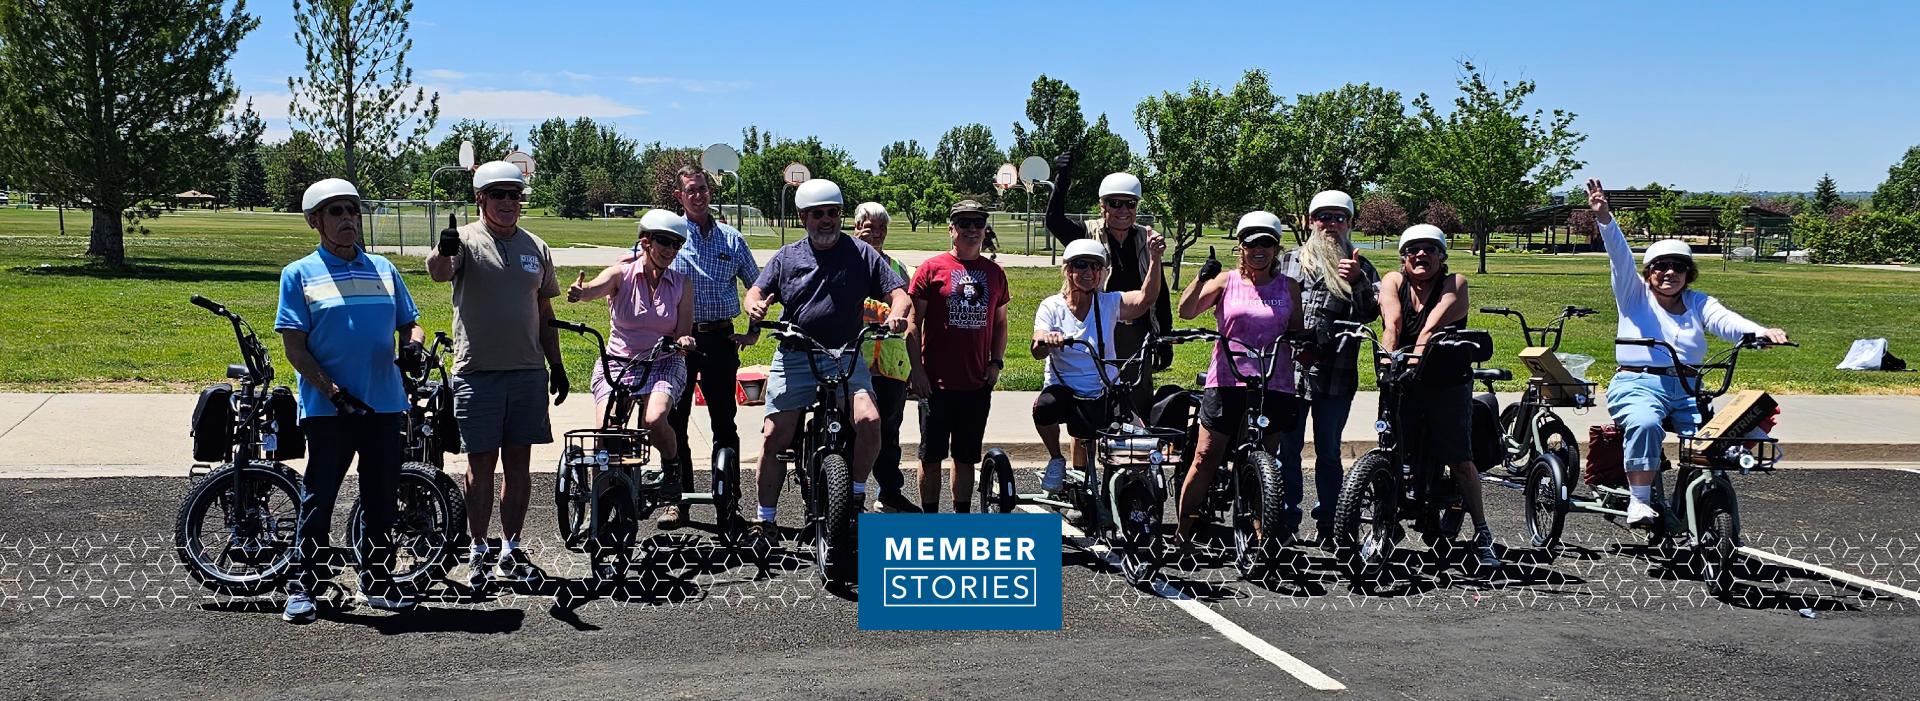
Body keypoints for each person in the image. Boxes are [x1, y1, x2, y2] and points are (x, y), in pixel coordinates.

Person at [1585, 179, 1788, 527]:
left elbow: (1726, 321)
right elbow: (1619, 256)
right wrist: (1605, 218)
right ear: (1649, 273)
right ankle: (1640, 501)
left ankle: (1710, 488)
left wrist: (1760, 332)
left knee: (1727, 431)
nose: (1669, 273)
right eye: (1660, 267)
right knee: (1646, 424)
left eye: (1678, 267)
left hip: (1689, 389)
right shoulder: (1634, 296)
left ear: (1688, 274)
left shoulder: (1698, 302)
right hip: (1637, 385)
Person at [274, 178, 424, 621]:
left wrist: (411, 344)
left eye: (352, 211)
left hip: (383, 403)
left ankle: (376, 578)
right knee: (319, 497)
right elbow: (294, 347)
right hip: (329, 407)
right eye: (336, 212)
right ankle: (305, 584)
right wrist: (332, 390)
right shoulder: (299, 274)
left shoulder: (382, 268)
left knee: (380, 497)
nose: (346, 220)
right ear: (314, 221)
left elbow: (409, 322)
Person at [743, 179, 911, 539]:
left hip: (846, 354)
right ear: (804, 217)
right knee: (775, 435)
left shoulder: (861, 253)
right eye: (817, 214)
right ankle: (765, 519)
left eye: (832, 213)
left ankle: (855, 496)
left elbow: (899, 293)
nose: (826, 221)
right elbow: (757, 289)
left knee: (869, 420)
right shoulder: (788, 256)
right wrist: (754, 303)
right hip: (797, 354)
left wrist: (897, 311)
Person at [426, 161, 566, 589]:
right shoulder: (465, 241)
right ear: (480, 198)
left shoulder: (536, 247)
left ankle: (511, 547)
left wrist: (556, 363)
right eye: (499, 194)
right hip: (477, 373)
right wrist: (442, 250)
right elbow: (439, 272)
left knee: (518, 465)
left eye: (515, 195)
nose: (508, 202)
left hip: (526, 372)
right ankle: (478, 548)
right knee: (480, 464)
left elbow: (544, 311)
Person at [565, 209, 695, 547]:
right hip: (618, 363)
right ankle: (602, 506)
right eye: (664, 242)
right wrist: (581, 292)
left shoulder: (682, 284)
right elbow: (594, 288)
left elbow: (683, 332)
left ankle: (672, 470)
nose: (670, 249)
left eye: (676, 244)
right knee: (605, 437)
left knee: (653, 420)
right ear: (646, 242)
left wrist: (684, 343)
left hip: (663, 362)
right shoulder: (621, 273)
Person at [1173, 211, 1303, 542]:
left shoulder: (1288, 287)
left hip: (1274, 384)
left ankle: (1261, 534)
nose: (1258, 250)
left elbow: (1297, 334)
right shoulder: (1226, 281)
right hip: (1227, 381)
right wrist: (1201, 277)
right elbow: (1186, 311)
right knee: (1205, 457)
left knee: (1264, 462)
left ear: (1276, 248)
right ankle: (1183, 531)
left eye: (1266, 244)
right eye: (1250, 244)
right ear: (1240, 248)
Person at [1377, 224, 1499, 568]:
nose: (1421, 255)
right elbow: (1393, 323)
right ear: (1403, 258)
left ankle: (1482, 532)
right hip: (1403, 380)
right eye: (1413, 249)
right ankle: (1384, 525)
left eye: (1430, 249)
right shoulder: (1393, 282)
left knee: (1459, 459)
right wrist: (1388, 365)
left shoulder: (1455, 284)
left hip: (1447, 381)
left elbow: (1430, 327)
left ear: (1441, 256)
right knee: (1391, 451)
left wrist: (1414, 362)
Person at [1275, 190, 1380, 543]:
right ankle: (1285, 519)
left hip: (1336, 374)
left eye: (1339, 217)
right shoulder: (1289, 261)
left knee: (1329, 452)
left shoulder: (1360, 265)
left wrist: (1358, 283)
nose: (1330, 224)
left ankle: (1331, 522)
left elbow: (1370, 314)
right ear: (1310, 221)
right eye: (1323, 217)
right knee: (1286, 450)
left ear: (1349, 223)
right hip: (1288, 375)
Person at [1032, 234, 1166, 507]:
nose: (1089, 272)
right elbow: (1037, 347)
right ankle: (1057, 459)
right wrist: (1048, 340)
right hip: (1065, 391)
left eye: (1096, 266)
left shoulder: (1108, 303)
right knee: (1044, 407)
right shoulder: (1052, 306)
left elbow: (1145, 299)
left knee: (1139, 436)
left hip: (1104, 389)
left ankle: (1125, 489)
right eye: (1081, 265)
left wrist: (1155, 258)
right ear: (1068, 269)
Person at [665, 165, 760, 530]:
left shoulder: (731, 239)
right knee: (675, 421)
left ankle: (728, 501)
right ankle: (677, 500)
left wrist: (752, 331)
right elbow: (637, 269)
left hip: (721, 339)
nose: (699, 195)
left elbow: (758, 286)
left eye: (703, 188)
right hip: (680, 341)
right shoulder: (668, 235)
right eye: (691, 190)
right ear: (679, 196)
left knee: (725, 422)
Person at [1045, 152, 1172, 418]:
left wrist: (1164, 335)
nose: (1123, 211)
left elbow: (1157, 292)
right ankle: (1089, 458)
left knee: (1137, 399)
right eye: (1115, 203)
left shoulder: (1146, 238)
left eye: (1130, 204)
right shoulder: (1088, 232)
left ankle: (1132, 457)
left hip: (1136, 329)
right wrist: (1062, 180)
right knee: (1093, 400)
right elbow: (1054, 222)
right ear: (1102, 206)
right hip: (1098, 328)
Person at [907, 200, 1011, 514]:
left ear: (984, 229)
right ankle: (930, 520)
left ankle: (961, 519)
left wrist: (996, 362)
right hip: (935, 383)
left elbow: (1001, 322)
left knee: (966, 457)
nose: (971, 229)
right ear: (952, 229)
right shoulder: (931, 269)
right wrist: (917, 370)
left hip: (975, 383)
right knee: (931, 456)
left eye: (978, 223)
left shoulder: (994, 273)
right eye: (964, 223)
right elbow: (914, 322)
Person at [852, 202, 921, 513]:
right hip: (854, 362)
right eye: (869, 228)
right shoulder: (847, 264)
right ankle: (848, 497)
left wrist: (913, 364)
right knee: (850, 431)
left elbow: (909, 310)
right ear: (856, 229)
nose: (876, 234)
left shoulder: (897, 268)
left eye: (881, 229)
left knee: (889, 434)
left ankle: (889, 493)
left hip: (891, 364)